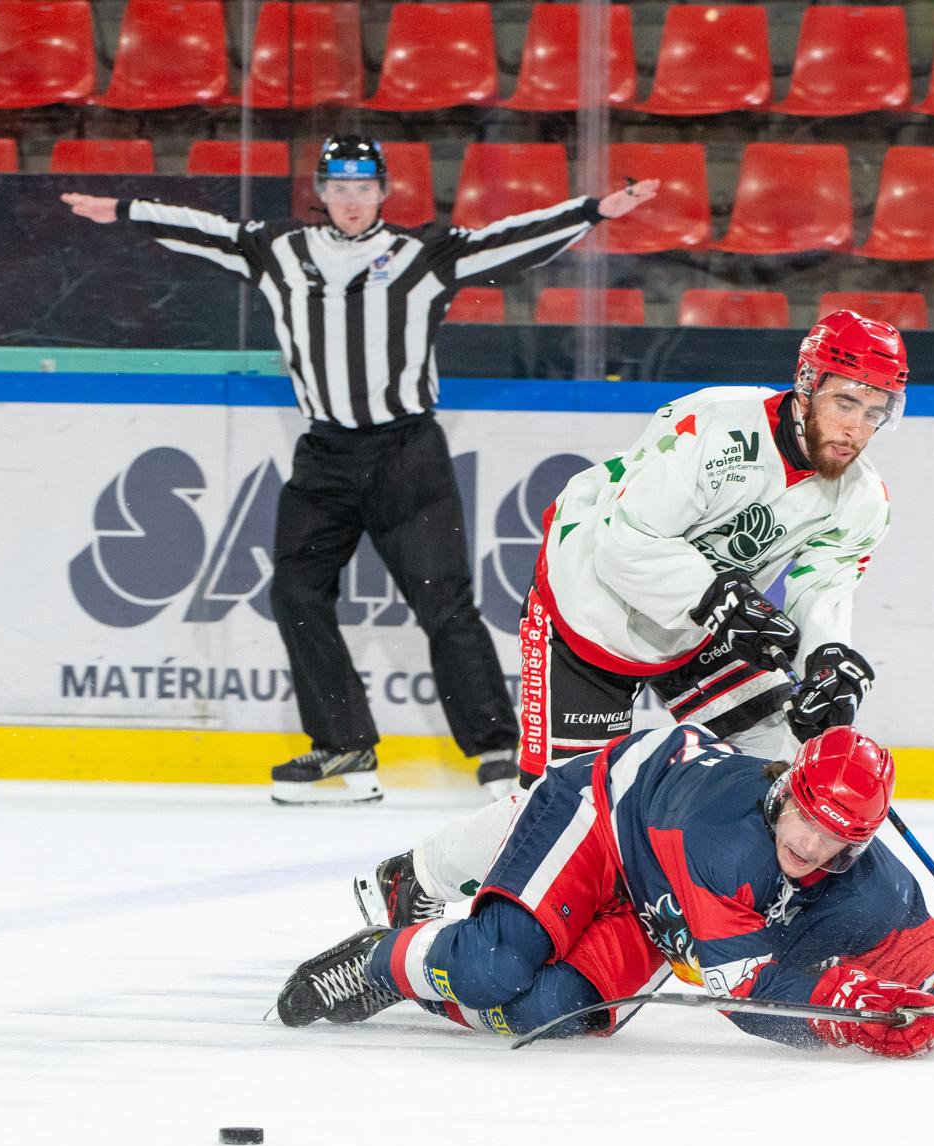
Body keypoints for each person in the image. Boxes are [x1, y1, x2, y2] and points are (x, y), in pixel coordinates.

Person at [62, 135, 661, 804]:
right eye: (339, 187)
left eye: (363, 187)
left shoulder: (420, 257)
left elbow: (509, 242)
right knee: (295, 591)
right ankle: (344, 746)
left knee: (444, 601)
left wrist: (591, 211)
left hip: (407, 453)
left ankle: (496, 750)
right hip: (324, 454)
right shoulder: (278, 251)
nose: (351, 200)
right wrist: (124, 211)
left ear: (383, 192)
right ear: (321, 193)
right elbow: (205, 232)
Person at [362, 308, 909, 911]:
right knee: (565, 816)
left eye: (875, 411)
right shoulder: (714, 428)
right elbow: (627, 543)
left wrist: (825, 664)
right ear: (807, 384)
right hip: (591, 608)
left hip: (700, 625)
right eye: (846, 402)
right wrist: (716, 598)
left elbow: (823, 588)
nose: (856, 428)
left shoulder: (861, 497)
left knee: (781, 753)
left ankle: (735, 901)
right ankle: (416, 878)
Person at [277, 723, 934, 1060]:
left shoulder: (867, 880)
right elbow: (749, 995)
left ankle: (427, 973)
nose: (809, 843)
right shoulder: (725, 843)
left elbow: (918, 956)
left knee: (541, 1015)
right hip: (607, 822)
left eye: (836, 838)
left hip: (663, 915)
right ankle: (384, 961)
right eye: (804, 815)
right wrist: (846, 1014)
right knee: (492, 964)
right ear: (784, 788)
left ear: (862, 845)